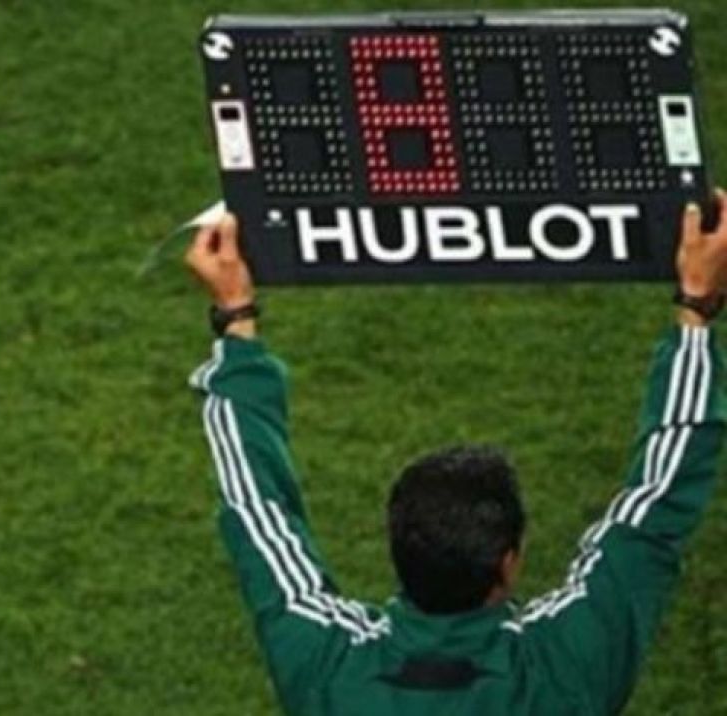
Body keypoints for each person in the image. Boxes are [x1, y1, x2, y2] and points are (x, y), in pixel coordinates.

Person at [184, 196, 727, 714]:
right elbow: (657, 504)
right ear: (508, 563)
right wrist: (697, 303)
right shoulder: (566, 667)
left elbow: (255, 507)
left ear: (397, 549)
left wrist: (236, 316)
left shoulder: (328, 667)